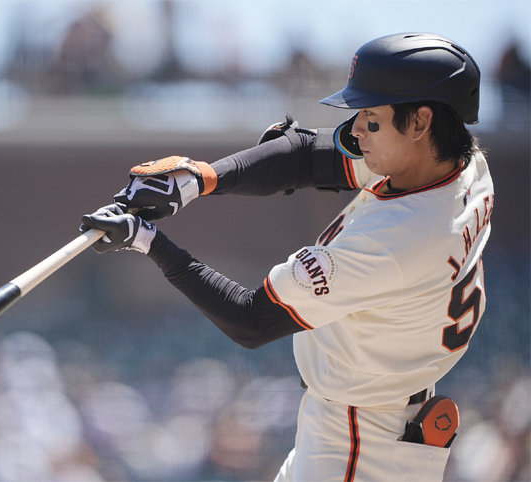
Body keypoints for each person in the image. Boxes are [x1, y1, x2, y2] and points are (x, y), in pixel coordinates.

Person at [80, 32, 492, 481]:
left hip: (360, 445)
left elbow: (251, 320)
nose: (355, 128)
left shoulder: (396, 241)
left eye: (370, 117)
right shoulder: (458, 165)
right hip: (372, 422)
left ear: (420, 122)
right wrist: (199, 179)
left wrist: (148, 241)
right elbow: (305, 155)